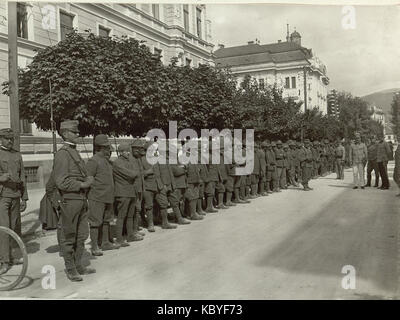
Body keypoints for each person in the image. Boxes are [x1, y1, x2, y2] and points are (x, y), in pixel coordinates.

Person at [52, 120, 95, 281]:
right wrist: (83, 183)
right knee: (69, 235)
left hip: (81, 199)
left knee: (82, 234)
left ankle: (78, 265)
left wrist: (88, 179)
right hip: (70, 200)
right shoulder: (63, 154)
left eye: (77, 132)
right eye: (74, 132)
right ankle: (70, 269)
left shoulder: (74, 152)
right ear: (64, 133)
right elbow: (61, 181)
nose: (78, 134)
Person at [0, 128, 28, 275]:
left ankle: (12, 257)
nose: (10, 141)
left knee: (15, 227)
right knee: (4, 229)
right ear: (1, 139)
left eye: (11, 139)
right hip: (3, 196)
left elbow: (23, 176)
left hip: (16, 195)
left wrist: (25, 197)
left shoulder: (17, 155)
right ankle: (4, 261)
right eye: (6, 138)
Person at [86, 134, 120, 255]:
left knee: (107, 220)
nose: (108, 150)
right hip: (97, 197)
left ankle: (105, 243)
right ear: (100, 147)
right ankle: (94, 246)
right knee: (95, 222)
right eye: (106, 148)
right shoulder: (93, 161)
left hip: (108, 196)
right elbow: (88, 179)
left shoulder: (107, 161)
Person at [112, 143, 139, 246]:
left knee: (130, 216)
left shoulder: (127, 161)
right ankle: (119, 239)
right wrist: (134, 173)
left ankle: (130, 235)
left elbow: (134, 173)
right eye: (126, 151)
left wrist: (134, 173)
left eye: (128, 151)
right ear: (121, 152)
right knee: (121, 216)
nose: (128, 153)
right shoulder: (117, 163)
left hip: (130, 192)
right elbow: (132, 174)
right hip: (122, 193)